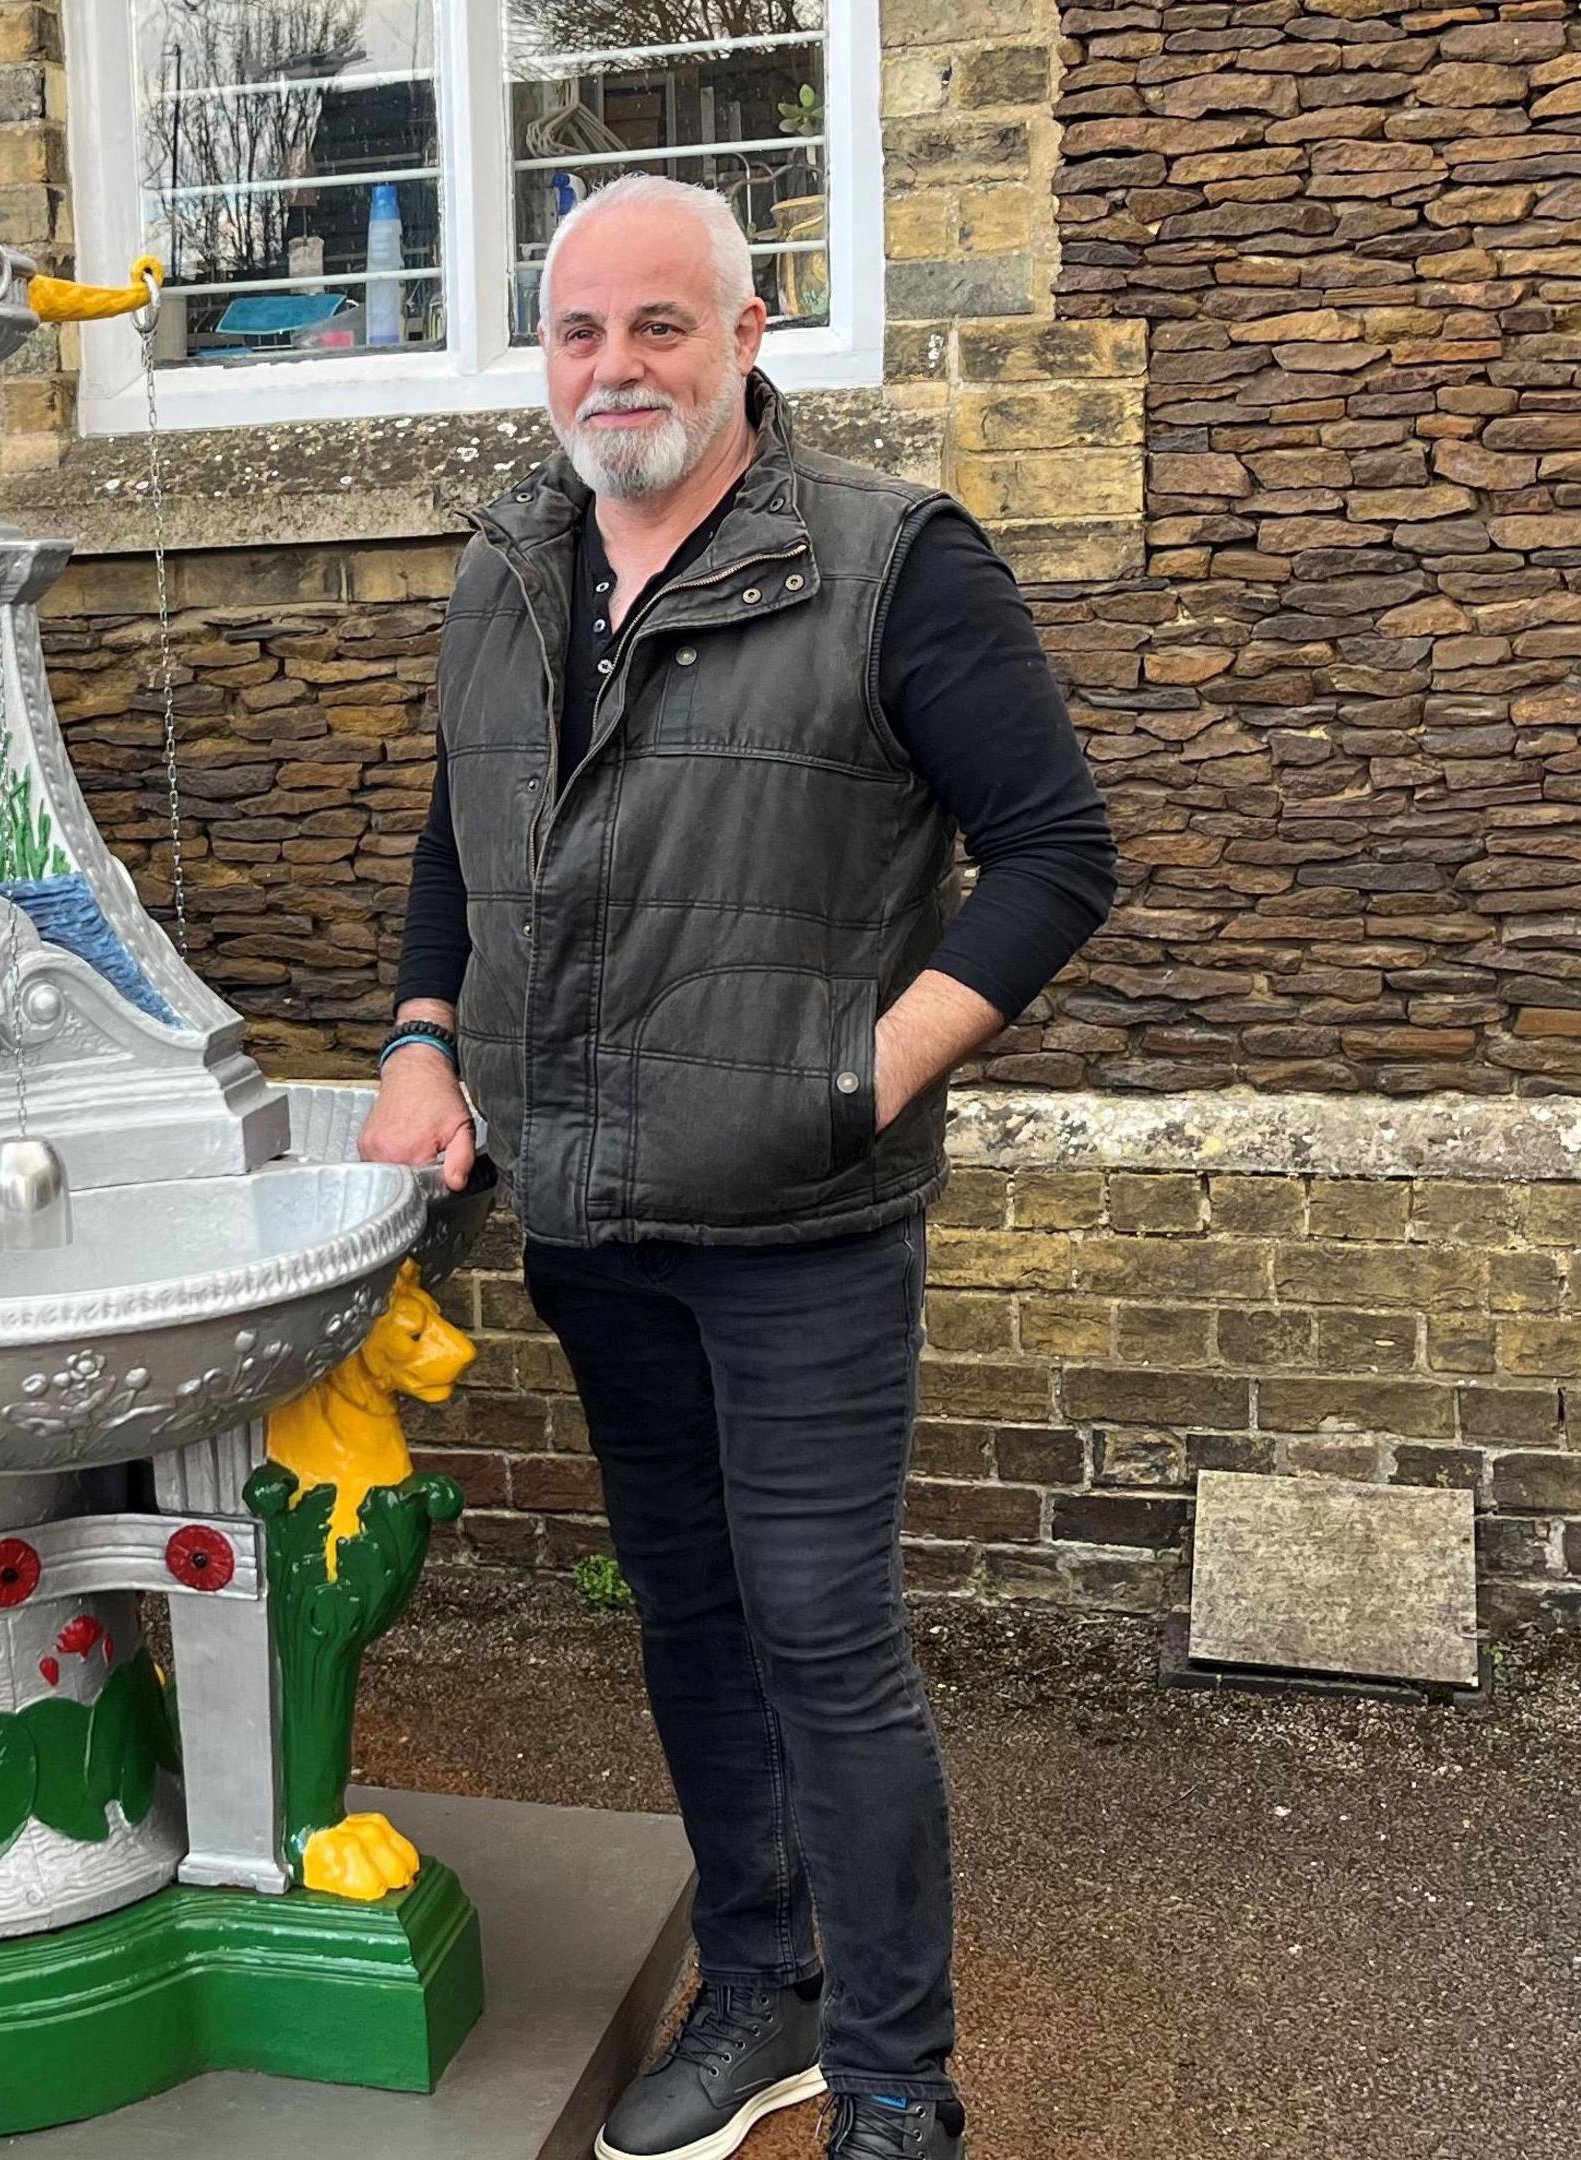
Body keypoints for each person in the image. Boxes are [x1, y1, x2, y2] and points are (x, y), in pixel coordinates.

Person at [360, 178, 1116, 2160]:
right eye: (579, 334)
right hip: (592, 1217)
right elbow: (462, 839)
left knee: (824, 1644)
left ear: (748, 332)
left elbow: (1055, 858)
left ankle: (891, 2085)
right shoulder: (512, 569)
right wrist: (425, 1038)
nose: (617, 368)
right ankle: (762, 1991)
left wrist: (862, 1080)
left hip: (803, 1229)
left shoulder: (893, 566)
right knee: (686, 1620)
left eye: (659, 327)